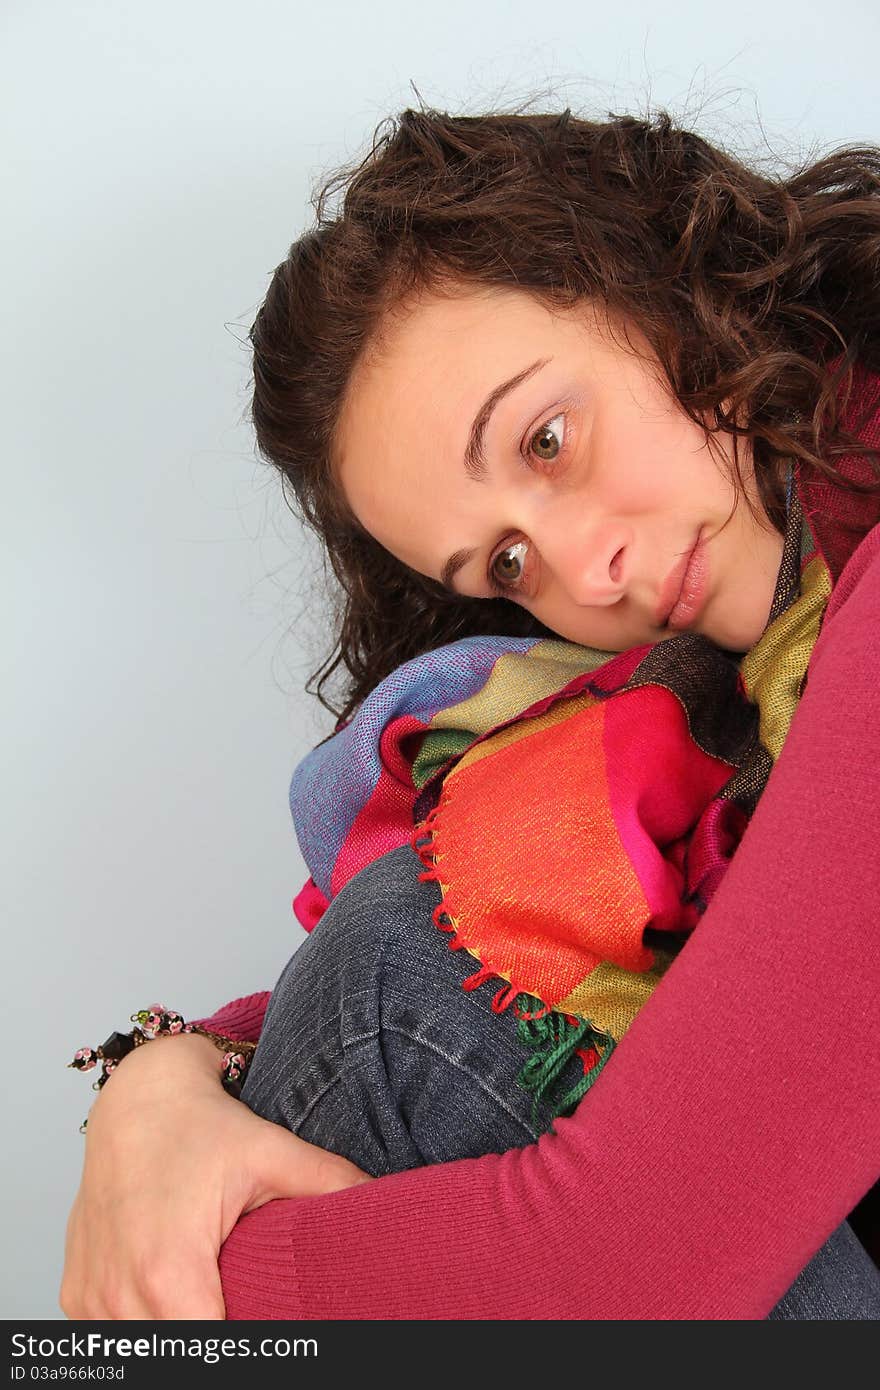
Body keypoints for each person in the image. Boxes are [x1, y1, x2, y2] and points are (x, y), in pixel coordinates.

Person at [60, 106, 880, 1320]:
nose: (584, 574)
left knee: (390, 970)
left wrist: (178, 1308)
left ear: (650, 277)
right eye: (502, 563)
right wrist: (163, 1077)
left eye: (547, 439)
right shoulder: (747, 687)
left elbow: (639, 1263)